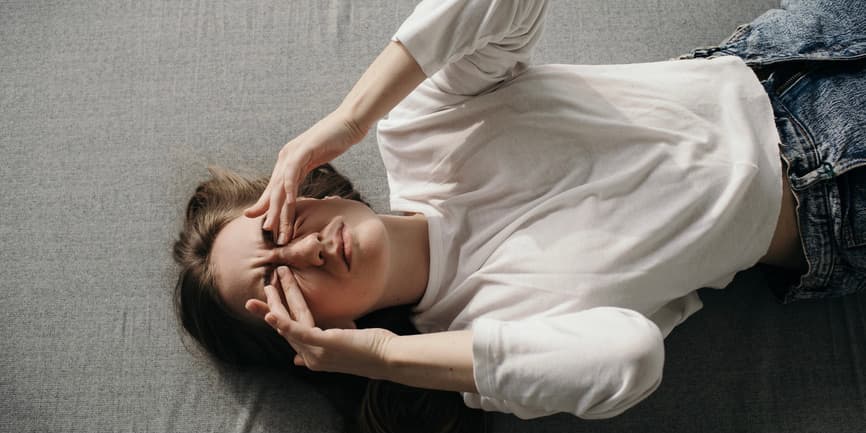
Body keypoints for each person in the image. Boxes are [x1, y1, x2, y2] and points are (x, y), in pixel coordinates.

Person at [172, 0, 866, 429]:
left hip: (795, 51)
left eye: (275, 228)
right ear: (313, 332)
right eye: (279, 285)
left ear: (301, 185)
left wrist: (349, 118)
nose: (303, 251)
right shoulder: (479, 344)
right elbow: (629, 357)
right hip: (835, 204)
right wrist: (378, 357)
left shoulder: (418, 125)